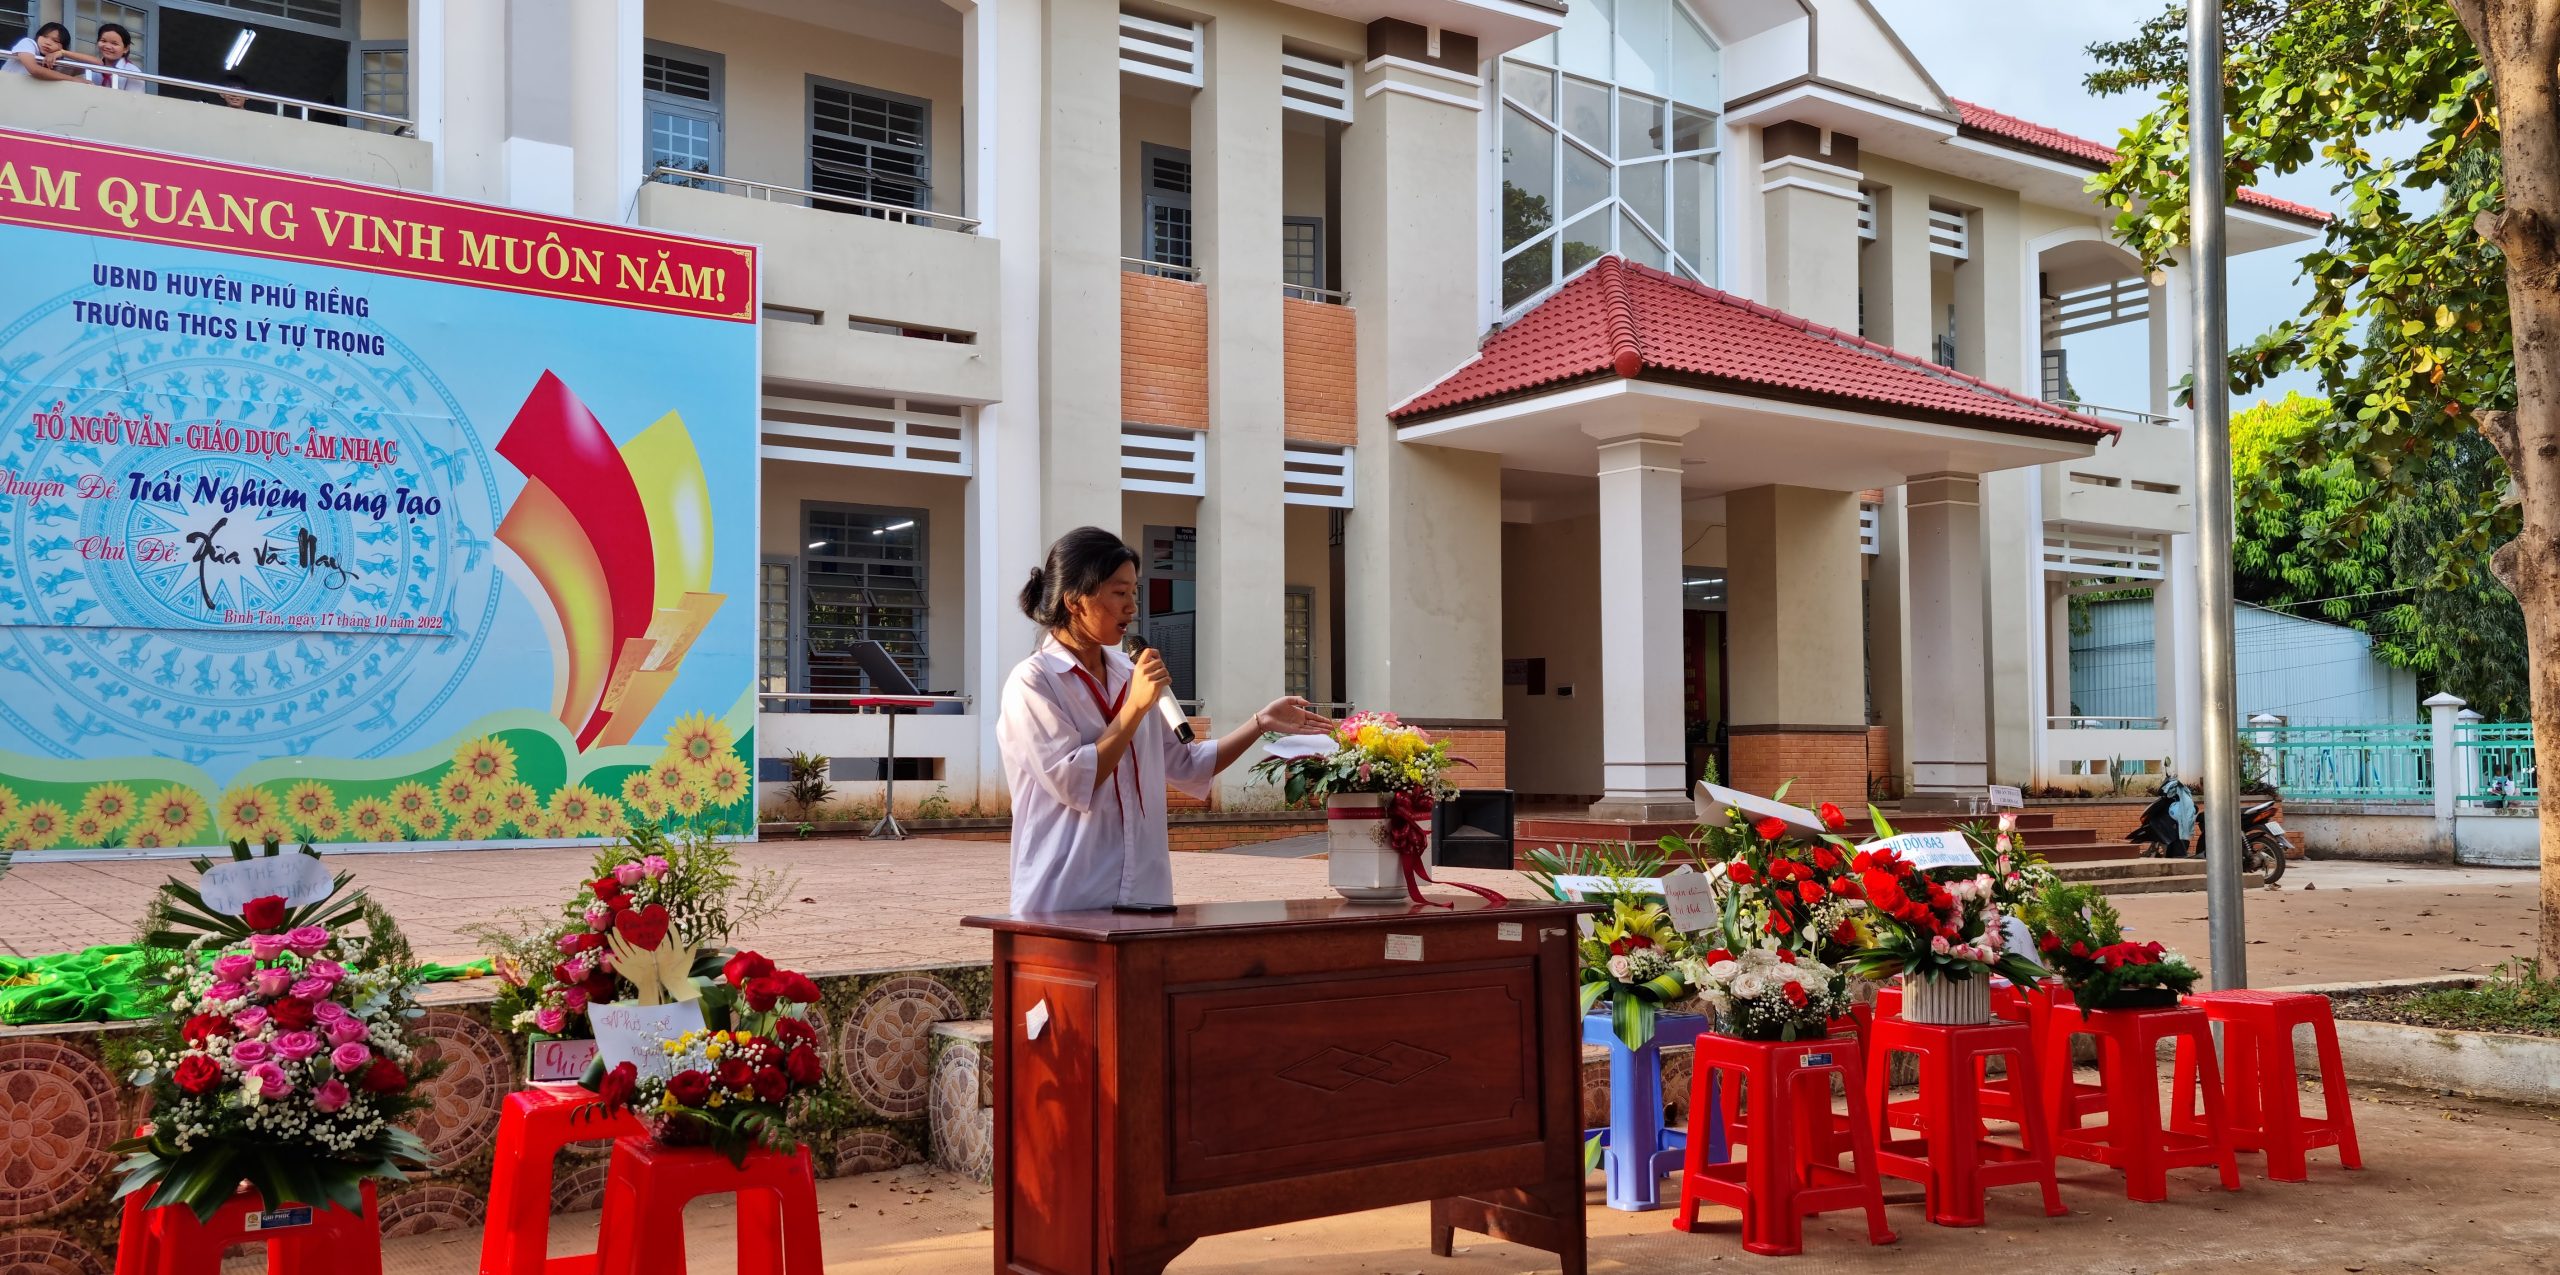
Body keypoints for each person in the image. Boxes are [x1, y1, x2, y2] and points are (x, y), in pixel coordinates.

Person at [997, 527, 1332, 914]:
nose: (1132, 607)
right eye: (1119, 593)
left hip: (1146, 892)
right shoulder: (1035, 681)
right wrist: (1135, 707)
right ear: (1075, 601)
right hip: (1066, 895)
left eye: (1134, 592)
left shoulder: (1130, 671)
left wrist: (1260, 722)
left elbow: (1188, 766)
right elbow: (1074, 782)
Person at [3, 23, 85, 82]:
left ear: (62, 47)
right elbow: (34, 69)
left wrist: (64, 53)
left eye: (55, 41)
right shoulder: (28, 43)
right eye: (45, 37)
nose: (48, 42)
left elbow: (96, 63)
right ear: (38, 36)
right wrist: (72, 79)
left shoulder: (56, 63)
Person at [75, 24, 145, 92]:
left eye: (114, 44)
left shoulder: (133, 72)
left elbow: (133, 99)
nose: (107, 46)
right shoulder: (91, 66)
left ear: (126, 49)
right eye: (103, 41)